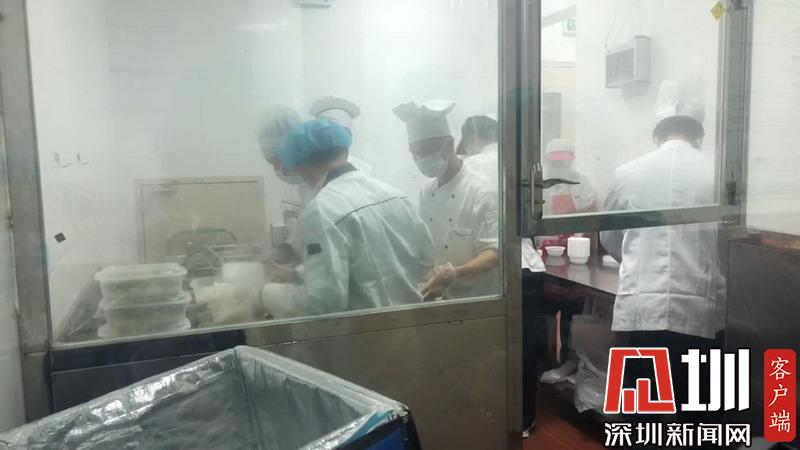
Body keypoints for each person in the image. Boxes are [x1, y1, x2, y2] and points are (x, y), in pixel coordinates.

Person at [600, 75, 723, 427]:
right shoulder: (718, 173)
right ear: (699, 131)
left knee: (641, 419)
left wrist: (636, 259)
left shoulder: (627, 173)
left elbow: (610, 239)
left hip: (642, 312)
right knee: (697, 419)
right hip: (699, 312)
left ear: (657, 130)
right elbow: (727, 245)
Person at [261, 119, 435, 318]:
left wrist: (268, 295)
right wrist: (298, 274)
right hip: (410, 325)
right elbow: (425, 262)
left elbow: (323, 301)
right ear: (345, 151)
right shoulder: (396, 196)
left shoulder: (320, 211)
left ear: (300, 167)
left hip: (362, 332)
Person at [393, 100, 500, 300]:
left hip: (478, 301)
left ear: (449, 144)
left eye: (427, 150)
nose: (421, 158)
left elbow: (494, 253)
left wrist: (455, 273)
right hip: (441, 298)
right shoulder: (427, 192)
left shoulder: (482, 190)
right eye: (415, 152)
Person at [256, 103, 312, 238]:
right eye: (271, 163)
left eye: (278, 160)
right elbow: (291, 211)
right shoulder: (300, 179)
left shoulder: (336, 181)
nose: (277, 169)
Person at [309, 95, 373, 175]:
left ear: (349, 136)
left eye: (341, 135)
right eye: (328, 133)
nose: (333, 139)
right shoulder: (304, 168)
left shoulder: (363, 170)